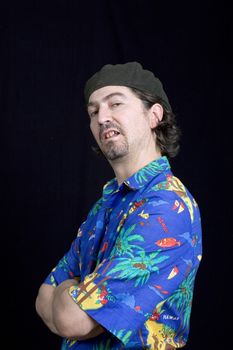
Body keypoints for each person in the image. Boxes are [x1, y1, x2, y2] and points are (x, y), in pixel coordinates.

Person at [35, 61, 202, 349]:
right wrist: (68, 295)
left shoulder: (167, 206)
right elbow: (42, 298)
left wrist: (67, 290)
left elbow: (72, 320)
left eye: (116, 104)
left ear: (154, 115)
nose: (102, 118)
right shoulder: (105, 205)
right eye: (94, 111)